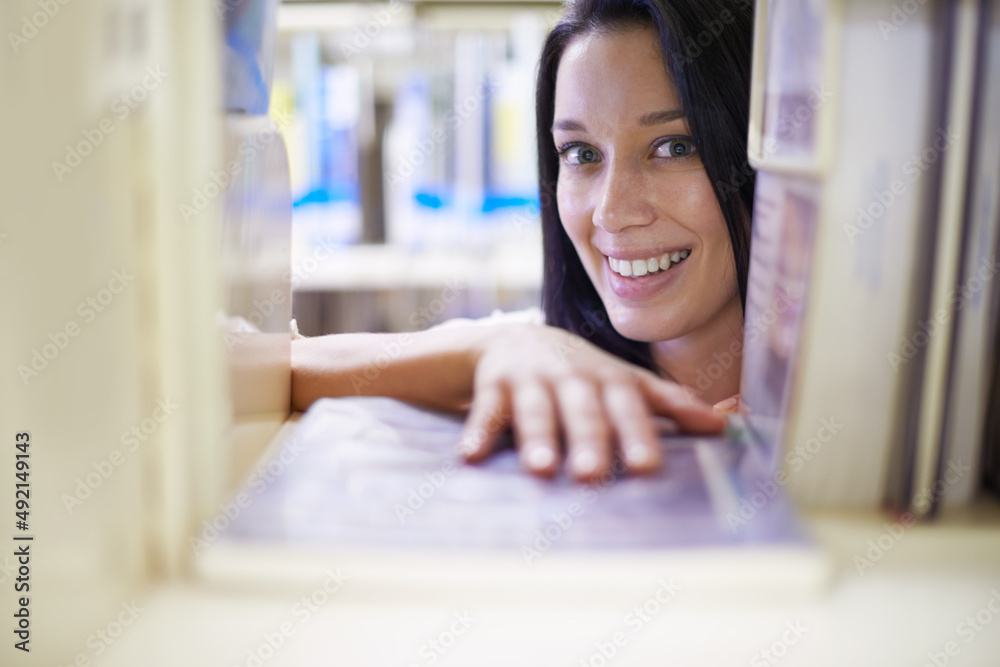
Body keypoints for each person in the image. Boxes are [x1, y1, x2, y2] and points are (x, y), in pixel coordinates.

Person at [292, 0, 754, 483]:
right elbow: (252, 364)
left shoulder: (834, 417)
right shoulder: (531, 368)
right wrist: (493, 347)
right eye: (581, 153)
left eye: (674, 147)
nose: (611, 212)